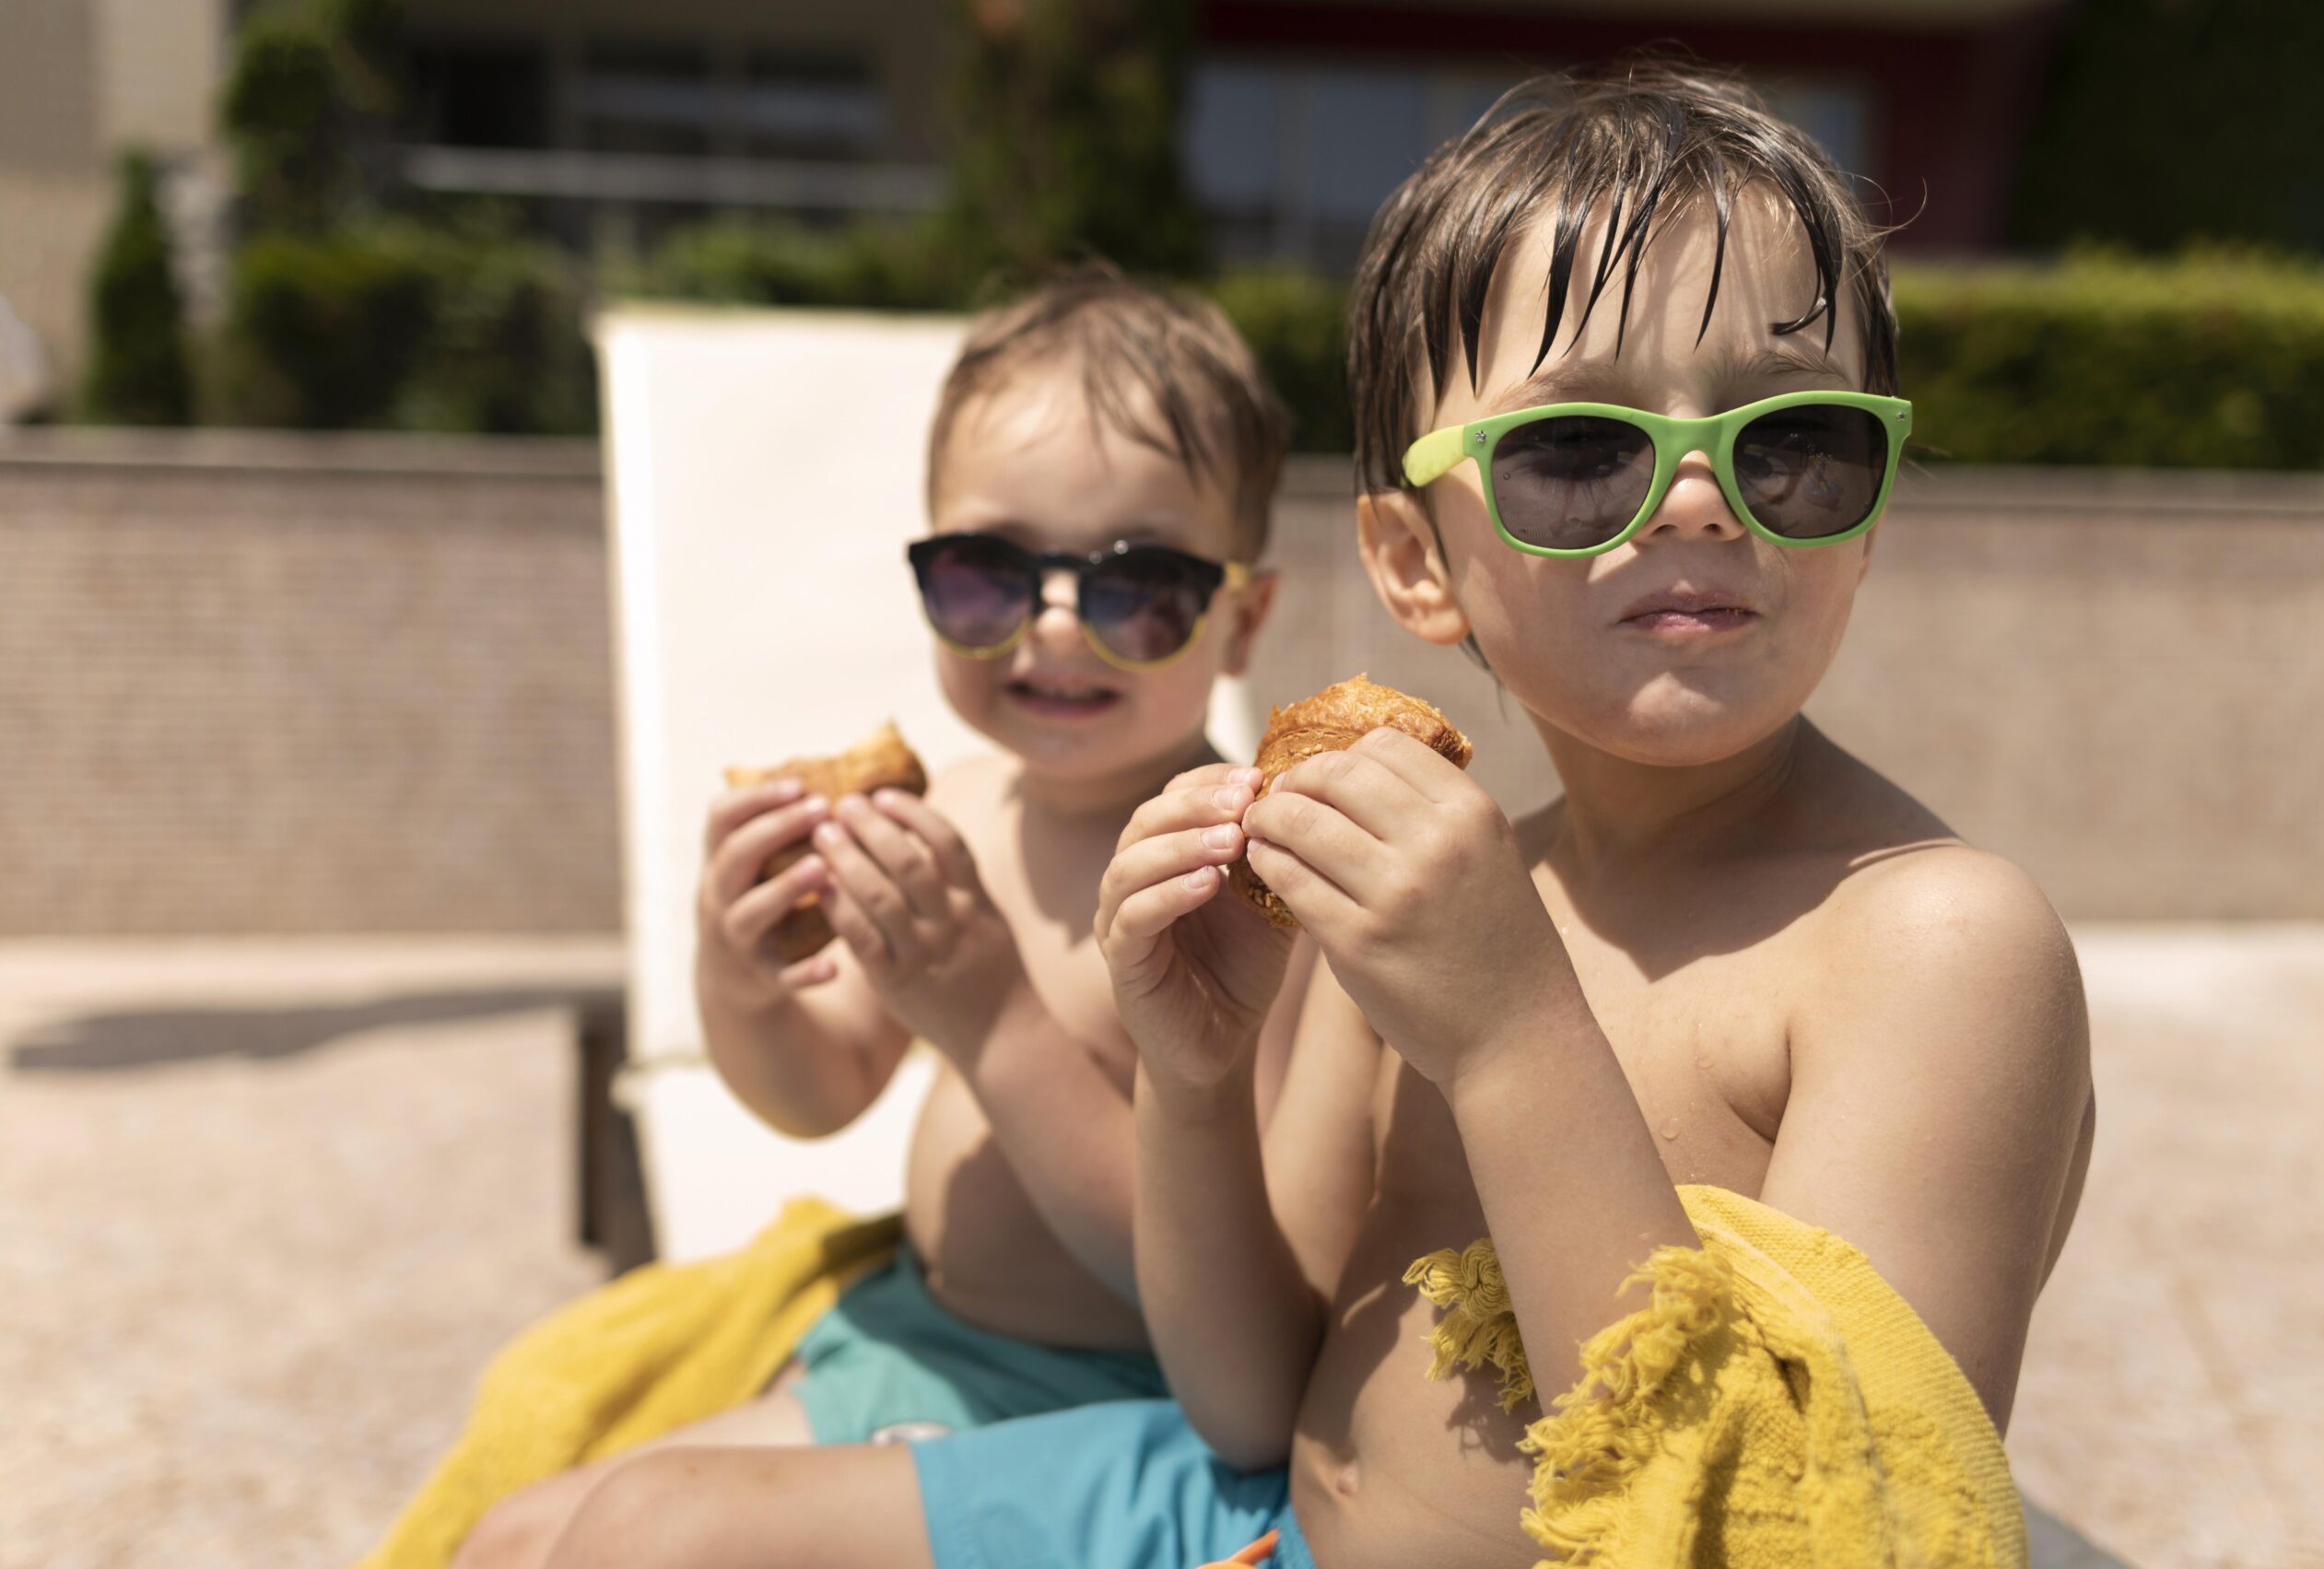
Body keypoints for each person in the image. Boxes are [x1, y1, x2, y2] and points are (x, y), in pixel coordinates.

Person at [541, 61, 2095, 1569]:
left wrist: (1506, 1036)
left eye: (1795, 440)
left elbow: (1827, 1535)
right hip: (1245, 1516)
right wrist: (1195, 1080)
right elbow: (1240, 1393)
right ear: (1413, 562)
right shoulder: (1437, 896)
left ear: (1869, 515)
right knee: (633, 1533)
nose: (1697, 498)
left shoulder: (1934, 946)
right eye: (1574, 450)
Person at [453, 264, 1294, 1568]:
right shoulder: (951, 807)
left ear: (1241, 620)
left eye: (1139, 583)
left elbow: (1221, 1288)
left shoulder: (1232, 881)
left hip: (1106, 1402)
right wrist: (738, 973)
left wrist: (994, 1018)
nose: (1056, 622)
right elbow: (820, 1085)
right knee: (506, 1541)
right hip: (914, 1341)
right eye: (986, 574)